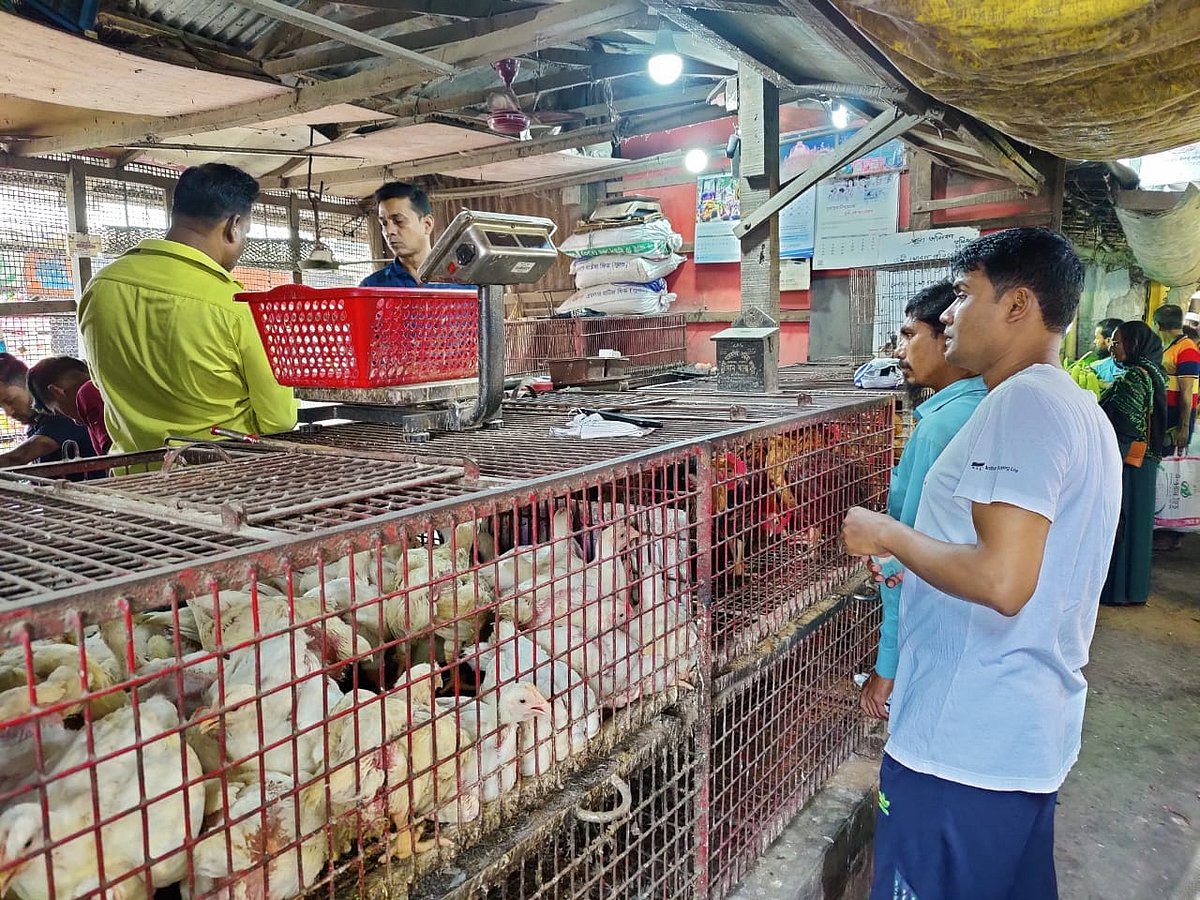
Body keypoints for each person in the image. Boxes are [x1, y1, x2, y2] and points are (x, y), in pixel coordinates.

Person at [842, 227, 1122, 900]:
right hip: (1021, 738)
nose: (948, 314)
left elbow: (1004, 580)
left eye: (966, 295)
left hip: (961, 747)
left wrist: (888, 534)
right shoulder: (1076, 410)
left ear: (1018, 306)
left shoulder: (1023, 403)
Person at [78, 163, 296, 453]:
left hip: (136, 476)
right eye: (246, 233)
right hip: (226, 477)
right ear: (233, 226)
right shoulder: (234, 305)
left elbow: (100, 382)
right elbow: (278, 419)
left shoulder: (101, 285)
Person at [859, 281, 987, 720]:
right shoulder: (987, 405)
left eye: (910, 335)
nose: (899, 351)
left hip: (931, 627)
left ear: (944, 337)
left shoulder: (938, 429)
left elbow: (901, 562)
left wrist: (887, 666)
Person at [1098, 322, 1167, 606]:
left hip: (1129, 461)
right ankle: (1133, 589)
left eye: (1119, 342)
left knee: (1122, 521)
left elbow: (1127, 423)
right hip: (1145, 462)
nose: (1113, 347)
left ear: (1135, 343)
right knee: (1137, 526)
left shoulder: (1135, 378)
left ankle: (1118, 590)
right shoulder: (1154, 374)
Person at [1152, 303, 1199, 551]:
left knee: (1172, 473)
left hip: (1177, 417)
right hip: (1167, 414)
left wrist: (1182, 427)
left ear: (1158, 324)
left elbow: (1187, 392)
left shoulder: (1187, 349)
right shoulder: (1171, 347)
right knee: (1165, 470)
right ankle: (1164, 526)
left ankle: (1173, 533)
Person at [0, 353, 96, 470]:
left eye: (10, 401)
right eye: (1, 406)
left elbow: (17, 457)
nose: (9, 412)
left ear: (27, 386)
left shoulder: (63, 412)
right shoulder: (35, 424)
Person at [360, 182, 462, 289]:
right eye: (384, 223)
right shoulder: (372, 287)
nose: (389, 231)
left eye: (398, 221)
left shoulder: (463, 283)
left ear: (427, 224)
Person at [26, 356, 111, 456]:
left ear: (56, 392)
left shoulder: (88, 392)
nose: (76, 422)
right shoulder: (110, 382)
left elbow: (115, 458)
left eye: (59, 412)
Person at [1068, 316, 1123, 396]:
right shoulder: (1094, 367)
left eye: (1097, 338)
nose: (1094, 342)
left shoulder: (1097, 367)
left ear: (1108, 341)